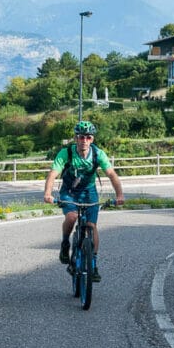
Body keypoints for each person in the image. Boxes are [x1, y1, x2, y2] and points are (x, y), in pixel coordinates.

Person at [42, 120, 124, 282]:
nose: (84, 140)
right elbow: (53, 174)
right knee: (72, 217)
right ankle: (65, 243)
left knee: (91, 226)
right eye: (81, 137)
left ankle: (93, 264)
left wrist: (119, 195)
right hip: (69, 192)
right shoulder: (66, 153)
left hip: (89, 192)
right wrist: (47, 193)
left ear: (92, 139)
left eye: (88, 137)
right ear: (76, 138)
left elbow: (112, 175)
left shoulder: (98, 154)